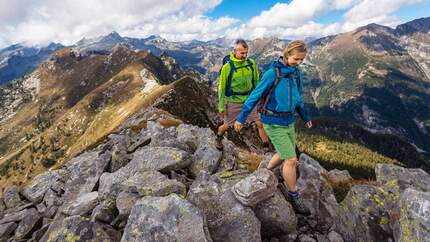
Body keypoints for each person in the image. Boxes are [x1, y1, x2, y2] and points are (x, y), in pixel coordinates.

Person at [234, 40, 312, 215]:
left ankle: (267, 171)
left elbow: (297, 98)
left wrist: (305, 116)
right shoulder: (272, 74)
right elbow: (254, 96)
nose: (299, 63)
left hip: (288, 121)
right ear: (287, 55)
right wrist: (241, 117)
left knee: (288, 151)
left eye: (302, 60)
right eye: (296, 59)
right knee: (291, 160)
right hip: (272, 121)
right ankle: (294, 196)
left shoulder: (296, 74)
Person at [216, 39, 269, 150]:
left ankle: (266, 146)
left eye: (246, 53)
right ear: (235, 51)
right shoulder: (227, 67)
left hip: (249, 100)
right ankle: (218, 137)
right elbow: (221, 88)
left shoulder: (251, 63)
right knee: (227, 126)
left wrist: (259, 98)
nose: (245, 55)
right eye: (242, 53)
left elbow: (256, 81)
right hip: (233, 101)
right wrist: (221, 106)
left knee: (259, 123)